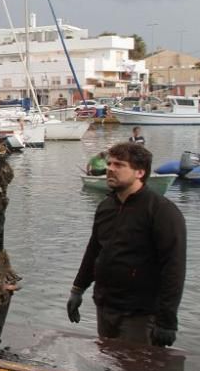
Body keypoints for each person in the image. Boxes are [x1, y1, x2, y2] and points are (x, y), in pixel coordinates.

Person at [67, 142, 186, 347]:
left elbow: (174, 267)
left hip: (140, 314)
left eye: (119, 165)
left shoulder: (161, 211)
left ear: (140, 172)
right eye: (110, 163)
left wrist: (167, 320)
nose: (110, 169)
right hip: (105, 306)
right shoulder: (106, 206)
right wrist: (78, 289)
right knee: (108, 369)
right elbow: (94, 250)